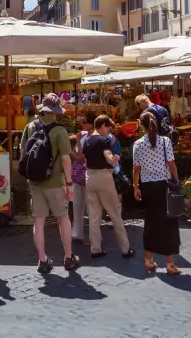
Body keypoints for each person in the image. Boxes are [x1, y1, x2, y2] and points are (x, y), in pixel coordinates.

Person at [21, 92, 79, 274]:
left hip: (35, 182)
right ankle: (68, 257)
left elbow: (23, 153)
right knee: (63, 219)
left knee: (38, 222)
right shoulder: (60, 131)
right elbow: (66, 159)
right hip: (55, 183)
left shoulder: (30, 127)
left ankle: (42, 260)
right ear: (55, 111)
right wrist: (69, 183)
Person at [132, 111, 181, 276]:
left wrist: (135, 187)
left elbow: (136, 169)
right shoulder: (165, 141)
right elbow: (171, 164)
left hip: (148, 187)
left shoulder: (138, 144)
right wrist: (176, 180)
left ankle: (149, 259)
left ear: (141, 125)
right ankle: (170, 263)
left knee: (151, 222)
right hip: (164, 185)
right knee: (169, 223)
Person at [82, 114, 133, 258]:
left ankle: (95, 249)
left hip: (89, 177)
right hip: (104, 177)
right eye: (108, 127)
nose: (109, 131)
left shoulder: (87, 140)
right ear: (103, 125)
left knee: (94, 216)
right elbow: (108, 154)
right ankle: (125, 248)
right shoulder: (104, 140)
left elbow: (84, 159)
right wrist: (114, 158)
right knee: (115, 213)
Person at [70, 131, 88, 243]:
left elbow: (79, 156)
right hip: (79, 177)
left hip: (80, 177)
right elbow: (78, 155)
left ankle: (79, 233)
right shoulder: (81, 139)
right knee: (77, 205)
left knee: (80, 206)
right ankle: (77, 233)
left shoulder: (88, 138)